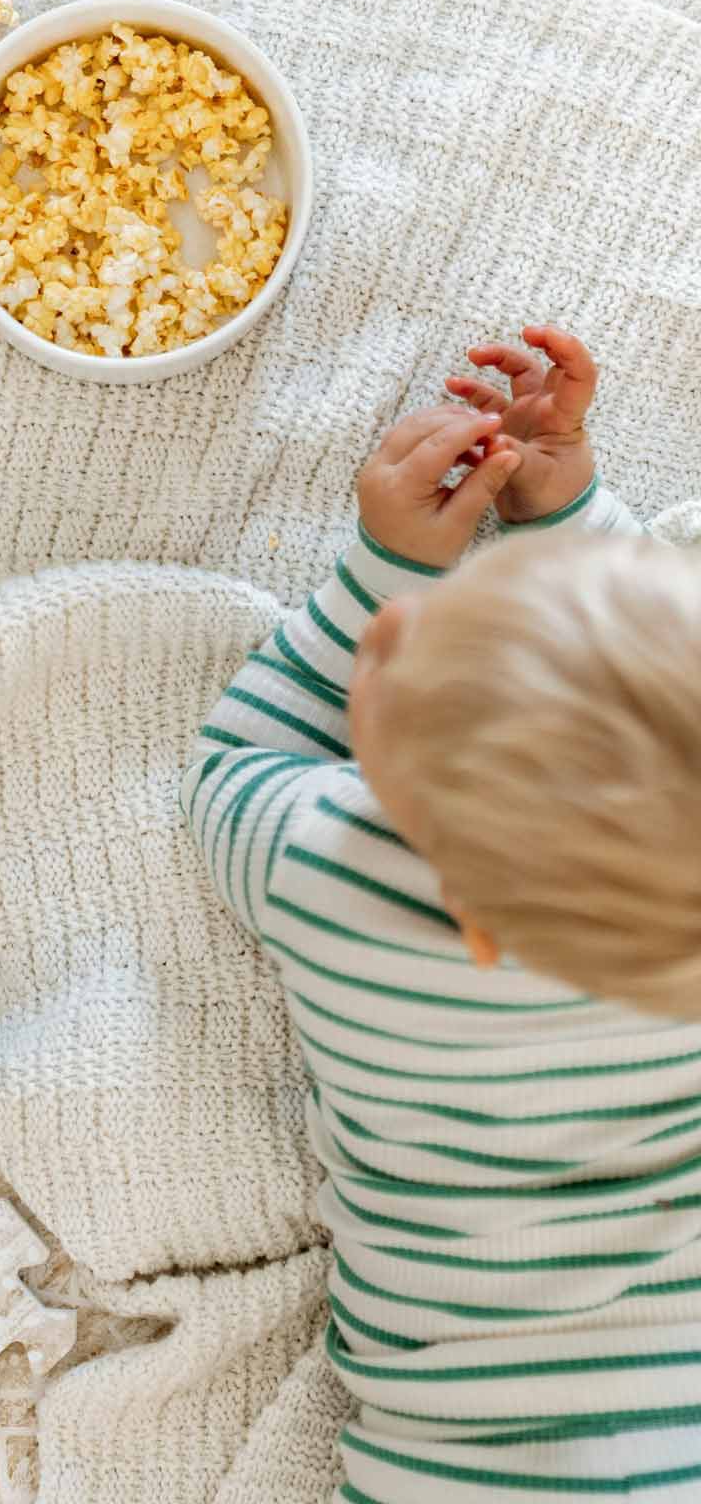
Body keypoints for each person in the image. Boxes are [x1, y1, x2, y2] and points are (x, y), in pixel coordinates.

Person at [182, 325, 701, 1500]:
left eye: (400, 691)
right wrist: (568, 508)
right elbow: (660, 691)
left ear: (456, 906)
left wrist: (384, 571)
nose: (399, 641)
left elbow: (235, 767)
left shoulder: (349, 877)